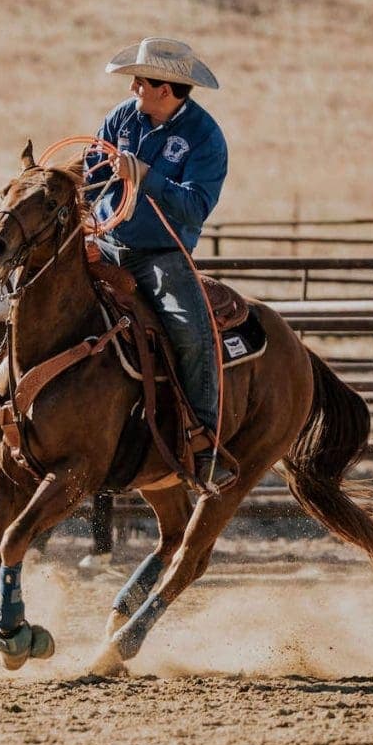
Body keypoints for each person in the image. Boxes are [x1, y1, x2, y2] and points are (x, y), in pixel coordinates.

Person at [86, 37, 229, 481]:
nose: (132, 87)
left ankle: (205, 442)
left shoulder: (204, 138)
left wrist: (147, 177)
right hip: (108, 241)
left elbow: (195, 207)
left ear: (165, 89)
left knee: (190, 332)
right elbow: (91, 167)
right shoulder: (121, 117)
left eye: (140, 81)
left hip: (161, 254)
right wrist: (89, 198)